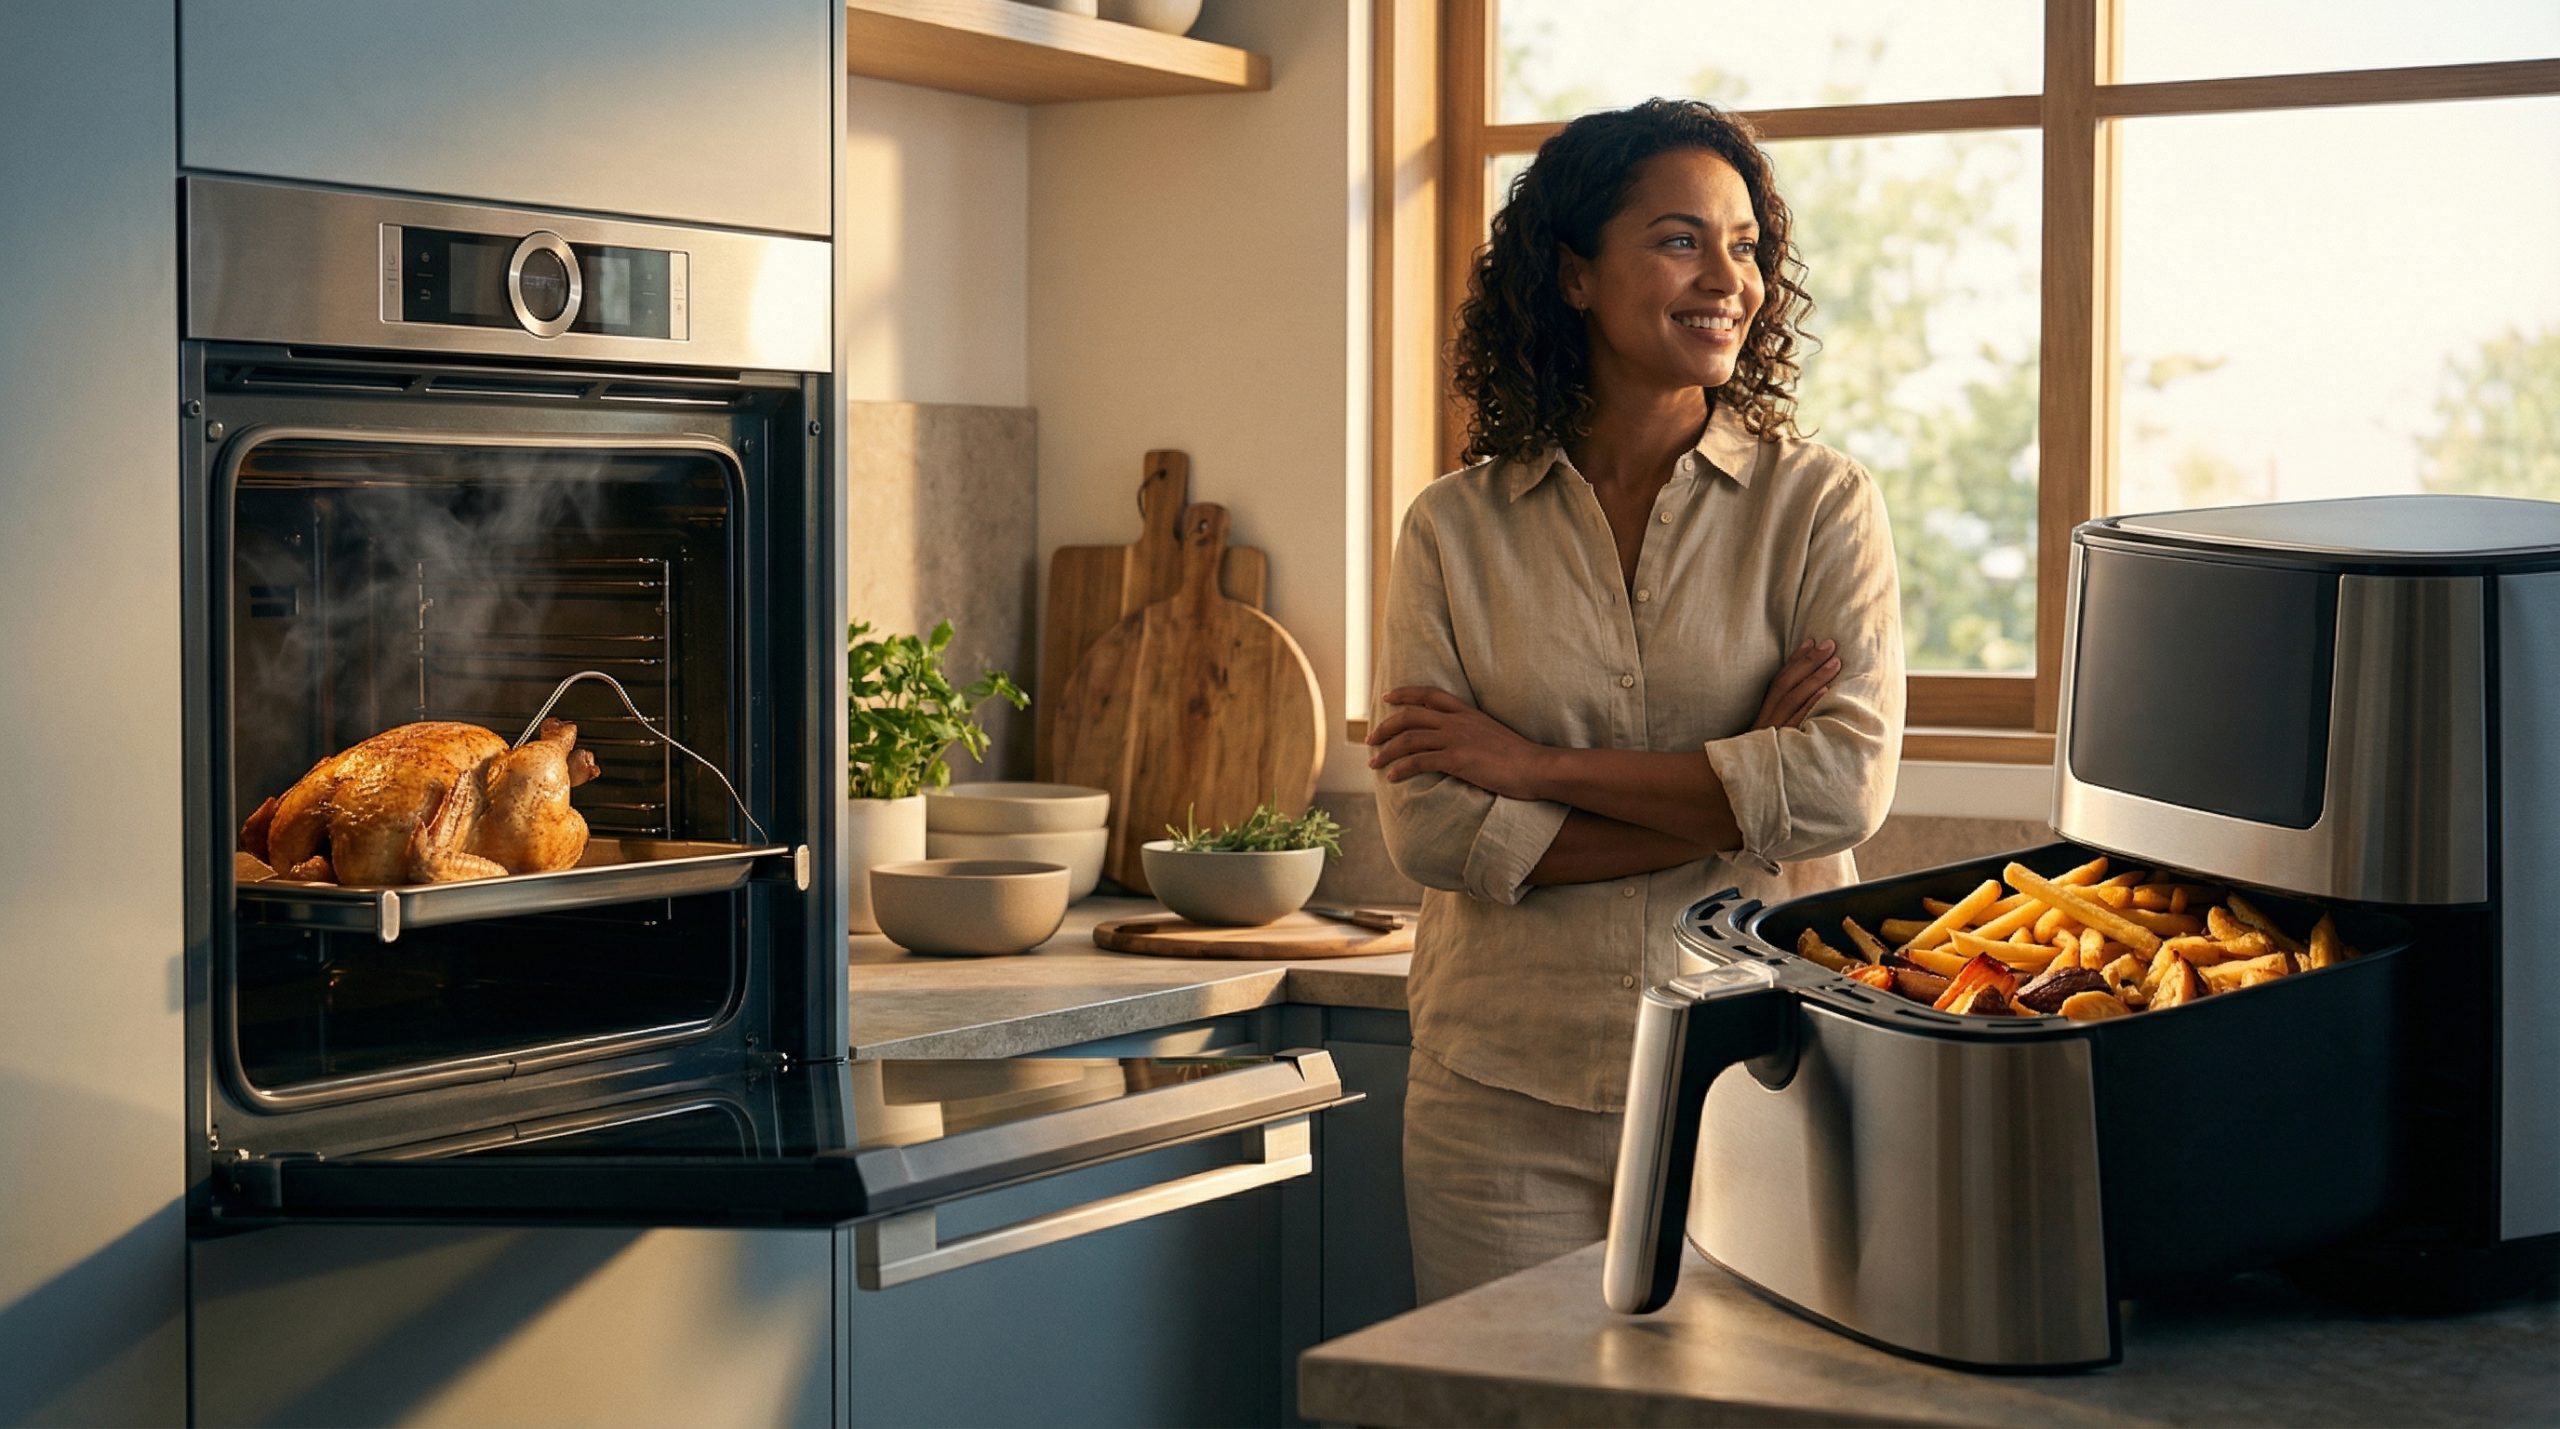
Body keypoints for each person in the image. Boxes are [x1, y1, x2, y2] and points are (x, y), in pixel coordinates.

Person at [1366, 98, 1905, 1304]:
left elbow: (1837, 789)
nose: (1730, 277)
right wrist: (1737, 789)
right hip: (1498, 1098)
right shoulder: (1451, 527)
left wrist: (1533, 765)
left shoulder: (1819, 507)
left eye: (1747, 244)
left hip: (1757, 1081)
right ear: (1572, 274)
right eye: (1679, 239)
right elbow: (1434, 829)